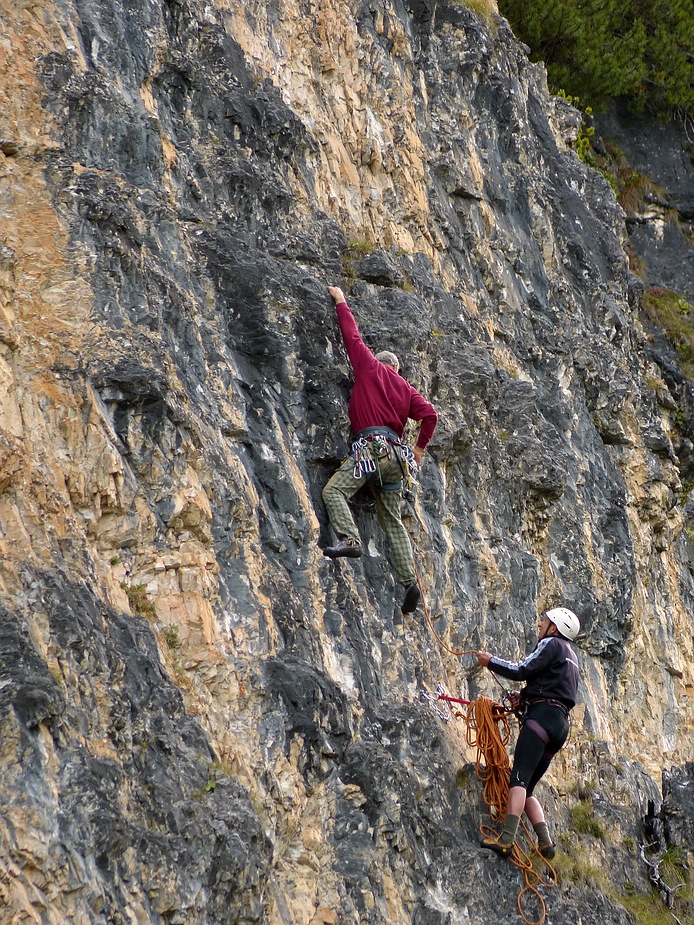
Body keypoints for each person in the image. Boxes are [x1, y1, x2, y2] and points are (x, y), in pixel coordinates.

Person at [321, 285, 438, 614]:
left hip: (370, 450)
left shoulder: (370, 368)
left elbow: (352, 337)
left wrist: (341, 301)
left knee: (334, 492)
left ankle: (349, 539)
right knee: (392, 521)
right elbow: (430, 415)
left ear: (380, 363)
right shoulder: (406, 389)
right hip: (397, 461)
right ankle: (409, 582)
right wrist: (418, 449)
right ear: (397, 369)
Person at [473, 606, 581, 859]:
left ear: (554, 627)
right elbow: (556, 688)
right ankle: (545, 842)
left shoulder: (551, 644)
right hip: (559, 726)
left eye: (545, 621)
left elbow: (522, 669)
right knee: (528, 788)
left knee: (518, 780)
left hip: (540, 719)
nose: (540, 625)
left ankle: (506, 840)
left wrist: (490, 661)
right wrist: (523, 697)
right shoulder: (572, 658)